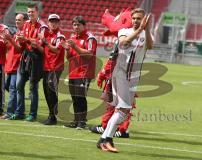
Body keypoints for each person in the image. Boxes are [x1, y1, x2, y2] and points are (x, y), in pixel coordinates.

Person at [97, 8, 153, 152]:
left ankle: (104, 139)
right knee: (123, 110)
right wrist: (140, 29)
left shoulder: (146, 34)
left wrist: (146, 30)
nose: (135, 21)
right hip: (121, 74)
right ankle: (106, 139)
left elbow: (150, 46)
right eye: (134, 18)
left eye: (139, 18)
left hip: (133, 77)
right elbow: (124, 43)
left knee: (122, 111)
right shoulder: (124, 31)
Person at [8, 4, 45, 121]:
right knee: (19, 85)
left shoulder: (42, 26)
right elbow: (21, 46)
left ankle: (32, 114)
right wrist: (19, 40)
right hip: (25, 57)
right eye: (28, 12)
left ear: (37, 12)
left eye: (32, 12)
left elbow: (38, 44)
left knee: (33, 88)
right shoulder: (26, 24)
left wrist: (26, 39)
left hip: (36, 58)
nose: (30, 14)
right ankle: (20, 112)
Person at [62, 16, 97, 129]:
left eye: (78, 25)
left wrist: (75, 46)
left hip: (84, 73)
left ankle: (82, 121)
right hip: (73, 72)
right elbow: (69, 58)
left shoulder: (90, 38)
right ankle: (76, 121)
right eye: (74, 25)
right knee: (74, 97)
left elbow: (89, 55)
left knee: (81, 97)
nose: (76, 27)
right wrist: (67, 49)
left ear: (84, 25)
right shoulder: (73, 37)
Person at [0, 14, 26, 119]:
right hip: (10, 65)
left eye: (19, 20)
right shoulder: (16, 33)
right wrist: (7, 41)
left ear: (24, 21)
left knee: (12, 88)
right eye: (16, 20)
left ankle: (11, 112)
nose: (17, 22)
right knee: (9, 87)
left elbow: (19, 49)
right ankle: (17, 109)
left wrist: (9, 39)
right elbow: (9, 47)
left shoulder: (22, 34)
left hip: (17, 66)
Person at [42, 14, 65, 125]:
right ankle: (52, 112)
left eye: (55, 21)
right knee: (46, 91)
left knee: (51, 91)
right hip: (46, 67)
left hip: (56, 67)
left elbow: (56, 51)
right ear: (48, 23)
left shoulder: (60, 36)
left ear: (59, 23)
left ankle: (52, 116)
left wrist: (45, 42)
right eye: (51, 21)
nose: (53, 23)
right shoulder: (47, 35)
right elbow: (43, 50)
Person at [0, 24, 10, 116]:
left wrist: (6, 39)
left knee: (1, 87)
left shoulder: (4, 28)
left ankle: (1, 108)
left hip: (0, 62)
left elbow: (9, 47)